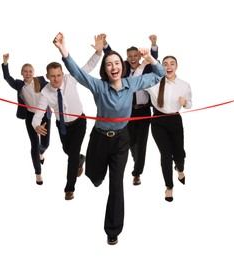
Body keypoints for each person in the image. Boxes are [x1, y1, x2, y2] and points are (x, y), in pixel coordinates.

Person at [53, 32, 165, 245]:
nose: (114, 67)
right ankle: (90, 168)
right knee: (95, 178)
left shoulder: (131, 84)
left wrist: (150, 58)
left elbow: (159, 75)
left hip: (121, 139)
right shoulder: (99, 86)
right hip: (99, 139)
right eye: (109, 64)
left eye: (117, 63)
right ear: (105, 69)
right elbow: (76, 72)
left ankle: (112, 230)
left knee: (116, 184)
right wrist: (63, 49)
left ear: (121, 67)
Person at [32, 34, 104, 201]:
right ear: (48, 76)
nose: (56, 79)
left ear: (62, 74)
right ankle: (80, 160)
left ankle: (69, 188)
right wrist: (36, 125)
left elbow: (88, 67)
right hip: (63, 126)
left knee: (71, 155)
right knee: (68, 151)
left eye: (58, 75)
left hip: (79, 123)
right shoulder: (45, 93)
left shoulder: (71, 78)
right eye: (52, 76)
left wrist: (98, 53)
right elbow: (38, 115)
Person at [102, 34, 158, 185]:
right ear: (126, 58)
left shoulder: (146, 69)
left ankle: (137, 173)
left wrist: (153, 44)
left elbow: (155, 61)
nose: (133, 58)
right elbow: (111, 57)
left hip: (144, 111)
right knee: (130, 141)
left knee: (142, 144)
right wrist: (105, 43)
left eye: (135, 56)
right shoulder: (124, 69)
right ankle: (134, 156)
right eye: (130, 56)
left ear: (139, 57)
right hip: (127, 112)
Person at [145, 55, 192, 202]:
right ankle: (169, 187)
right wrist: (145, 63)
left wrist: (185, 103)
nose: (168, 67)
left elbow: (190, 103)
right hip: (158, 121)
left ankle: (180, 169)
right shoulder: (154, 83)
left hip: (175, 120)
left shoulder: (184, 85)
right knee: (166, 154)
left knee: (179, 154)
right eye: (165, 64)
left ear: (176, 66)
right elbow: (138, 80)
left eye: (172, 64)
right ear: (161, 67)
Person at [1, 55, 51, 185]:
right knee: (34, 144)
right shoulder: (19, 84)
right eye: (25, 71)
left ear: (33, 73)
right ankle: (38, 173)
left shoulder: (40, 80)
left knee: (45, 144)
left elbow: (53, 89)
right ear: (22, 73)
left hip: (44, 115)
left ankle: (41, 152)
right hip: (30, 117)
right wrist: (5, 62)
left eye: (30, 71)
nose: (28, 73)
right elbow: (7, 78)